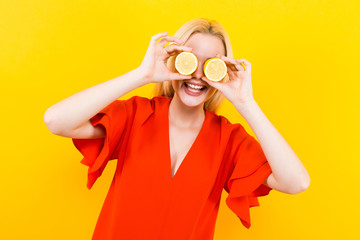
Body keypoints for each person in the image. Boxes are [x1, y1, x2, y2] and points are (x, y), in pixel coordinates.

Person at [44, 18, 310, 239]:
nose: (196, 75)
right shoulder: (136, 115)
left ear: (222, 71)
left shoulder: (229, 139)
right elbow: (56, 120)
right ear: (175, 59)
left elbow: (296, 182)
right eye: (190, 60)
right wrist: (142, 75)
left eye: (210, 65)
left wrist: (246, 103)